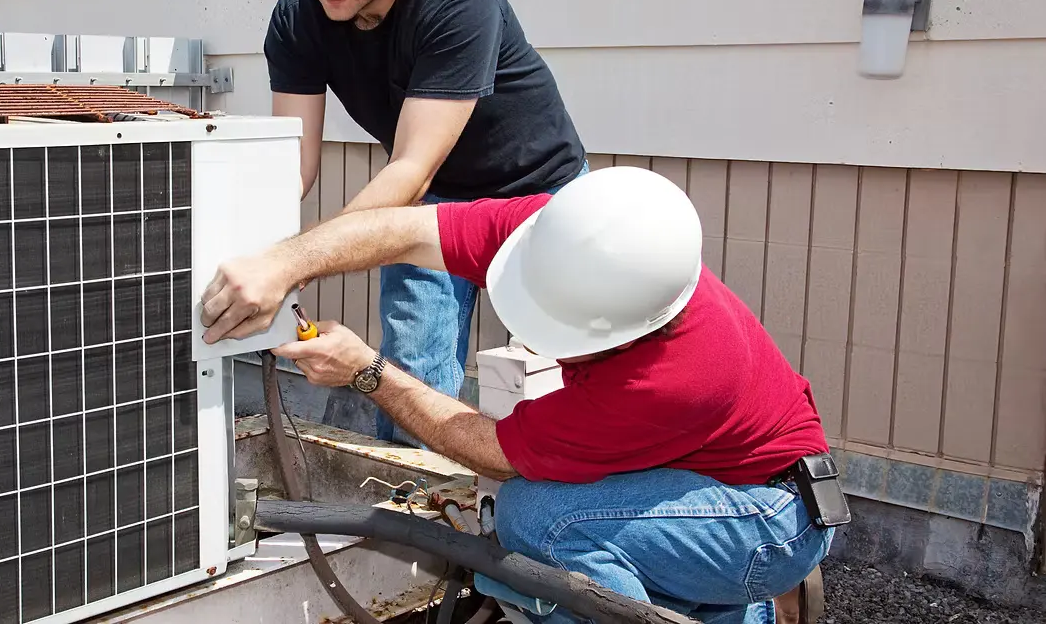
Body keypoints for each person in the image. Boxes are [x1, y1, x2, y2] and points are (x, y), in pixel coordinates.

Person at [198, 166, 840, 623]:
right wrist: (285, 262)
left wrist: (367, 370)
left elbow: (492, 451)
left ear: (623, 331)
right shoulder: (565, 234)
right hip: (715, 481)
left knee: (539, 519)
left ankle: (707, 598)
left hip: (770, 523)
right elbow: (400, 229)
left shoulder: (667, 380)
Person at [263, 0, 588, 445]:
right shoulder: (297, 20)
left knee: (575, 363)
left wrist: (300, 259)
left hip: (540, 193)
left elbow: (412, 166)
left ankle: (571, 501)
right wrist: (263, 251)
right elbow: (292, 167)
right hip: (430, 201)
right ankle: (417, 508)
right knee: (413, 368)